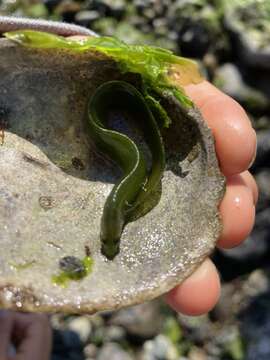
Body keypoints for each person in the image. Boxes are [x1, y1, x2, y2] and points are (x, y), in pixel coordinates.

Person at [0, 80, 257, 358]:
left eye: (110, 241)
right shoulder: (122, 203)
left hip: (121, 118)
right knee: (136, 170)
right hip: (112, 125)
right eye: (111, 241)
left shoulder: (121, 205)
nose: (110, 243)